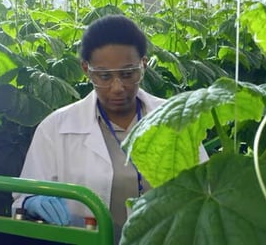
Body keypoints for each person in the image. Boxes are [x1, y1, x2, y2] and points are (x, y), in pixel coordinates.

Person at [12, 15, 209, 243]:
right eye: (104, 76)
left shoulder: (175, 119)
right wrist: (31, 202)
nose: (117, 87)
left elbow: (203, 187)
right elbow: (22, 198)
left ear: (144, 65)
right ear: (86, 69)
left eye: (128, 74)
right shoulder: (56, 128)